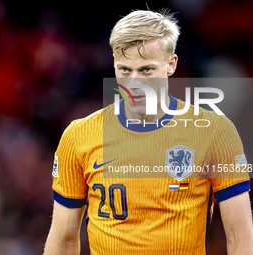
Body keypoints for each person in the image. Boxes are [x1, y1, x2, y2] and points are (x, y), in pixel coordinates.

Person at [43, 9, 253, 255]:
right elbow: (64, 240)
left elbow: (240, 239)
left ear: (171, 65)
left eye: (146, 70)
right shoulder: (79, 136)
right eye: (124, 70)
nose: (134, 83)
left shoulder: (215, 132)